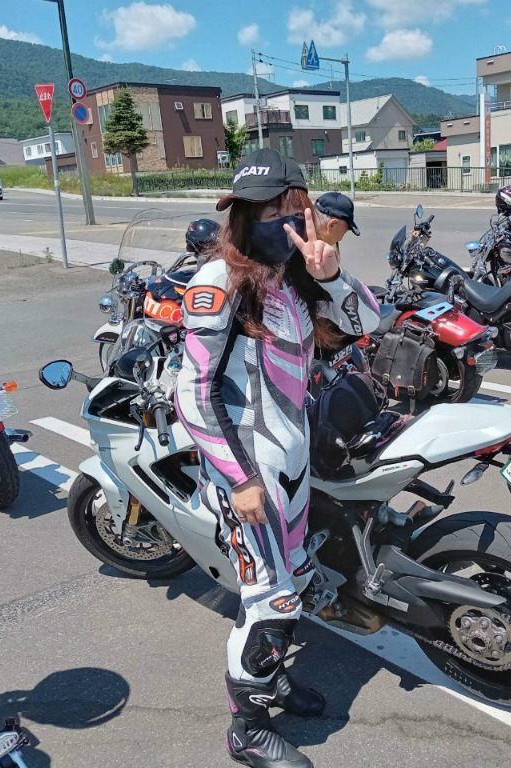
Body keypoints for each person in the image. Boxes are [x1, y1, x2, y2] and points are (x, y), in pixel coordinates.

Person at [174, 148, 380, 768]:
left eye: (282, 209)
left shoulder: (293, 277)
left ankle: (274, 679)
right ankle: (246, 728)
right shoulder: (219, 281)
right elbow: (193, 391)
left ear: (303, 210)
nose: (271, 222)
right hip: (248, 473)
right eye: (258, 212)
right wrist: (239, 480)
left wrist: (332, 272)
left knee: (289, 581)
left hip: (291, 466)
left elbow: (367, 322)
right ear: (239, 216)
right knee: (271, 604)